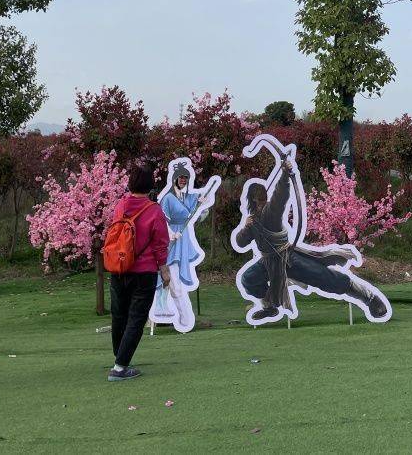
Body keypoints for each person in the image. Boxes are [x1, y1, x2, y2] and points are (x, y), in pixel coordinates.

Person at [234, 154, 388, 323]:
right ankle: (269, 306)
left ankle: (370, 298)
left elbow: (280, 195)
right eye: (258, 199)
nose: (261, 201)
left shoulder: (271, 212)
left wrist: (286, 174)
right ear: (253, 200)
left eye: (262, 198)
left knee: (325, 277)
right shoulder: (253, 221)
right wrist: (245, 227)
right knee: (248, 279)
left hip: (288, 258)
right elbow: (241, 242)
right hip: (267, 262)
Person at [107, 164, 170, 381]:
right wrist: (164, 270)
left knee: (119, 315)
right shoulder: (154, 210)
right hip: (144, 271)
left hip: (119, 268)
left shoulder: (120, 206)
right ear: (150, 185)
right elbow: (160, 244)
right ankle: (120, 367)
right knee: (136, 318)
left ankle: (120, 358)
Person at [149, 158, 220, 333]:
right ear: (174, 178)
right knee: (171, 278)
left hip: (184, 240)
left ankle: (181, 317)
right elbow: (161, 220)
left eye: (185, 178)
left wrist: (203, 202)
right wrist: (171, 233)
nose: (183, 180)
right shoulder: (167, 199)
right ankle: (181, 317)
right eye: (180, 177)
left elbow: (199, 208)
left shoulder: (187, 197)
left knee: (175, 279)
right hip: (170, 242)